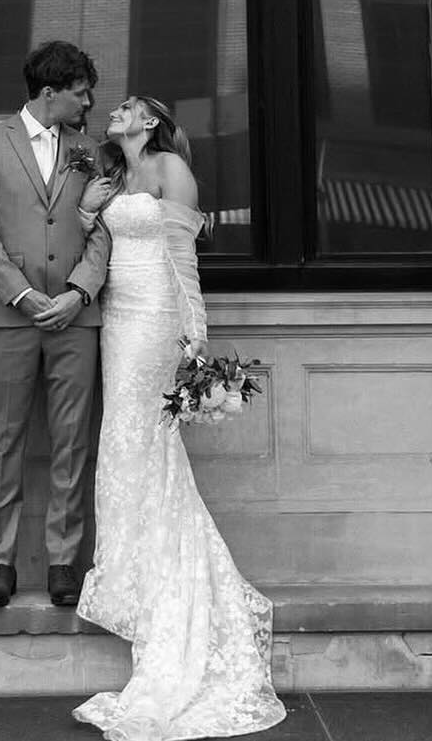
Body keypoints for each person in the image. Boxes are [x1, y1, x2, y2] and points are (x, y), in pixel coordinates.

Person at [73, 95, 286, 741]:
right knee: (121, 433)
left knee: (144, 434)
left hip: (158, 315)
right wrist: (89, 208)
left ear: (152, 121)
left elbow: (184, 257)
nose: (116, 110)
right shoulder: (111, 175)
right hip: (117, 312)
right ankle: (130, 558)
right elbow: (95, 240)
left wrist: (194, 335)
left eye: (128, 106)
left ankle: (159, 568)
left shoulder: (170, 166)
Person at [0, 40, 110, 611]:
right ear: (50, 93)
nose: (89, 100)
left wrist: (79, 292)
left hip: (77, 319)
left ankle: (62, 563)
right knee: (7, 441)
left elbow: (103, 231)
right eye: (80, 91)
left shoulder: (92, 151)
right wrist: (21, 294)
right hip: (9, 315)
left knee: (72, 441)